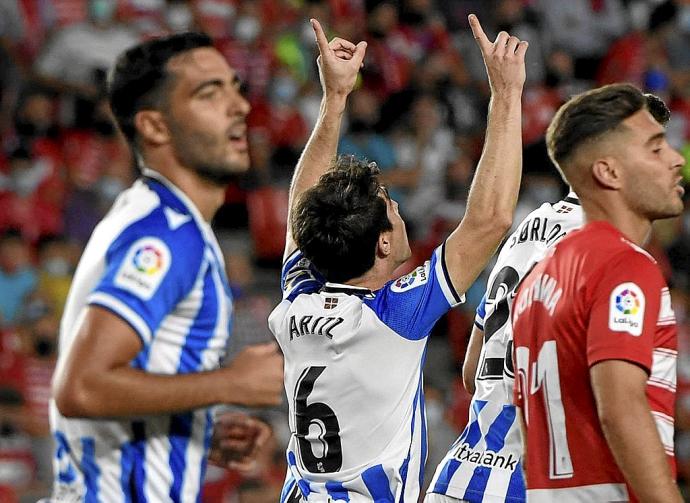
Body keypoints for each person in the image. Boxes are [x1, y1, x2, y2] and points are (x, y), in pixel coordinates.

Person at [268, 16, 528, 502]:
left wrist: (334, 100)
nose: (402, 214)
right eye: (394, 211)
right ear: (384, 244)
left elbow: (299, 206)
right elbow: (490, 220)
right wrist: (507, 94)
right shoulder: (392, 315)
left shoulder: (296, 300)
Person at [48, 32, 284, 501]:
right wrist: (228, 382)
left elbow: (110, 384)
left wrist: (193, 427)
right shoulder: (168, 235)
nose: (238, 106)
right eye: (208, 93)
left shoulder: (150, 216)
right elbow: (81, 388)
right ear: (155, 127)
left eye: (235, 87)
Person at [512, 83, 685, 502]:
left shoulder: (535, 282)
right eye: (656, 149)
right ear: (609, 172)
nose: (677, 160)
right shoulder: (624, 267)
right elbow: (621, 408)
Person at [426, 192, 583, 503]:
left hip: (458, 474)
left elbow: (473, 373)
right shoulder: (606, 247)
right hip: (525, 484)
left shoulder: (526, 228)